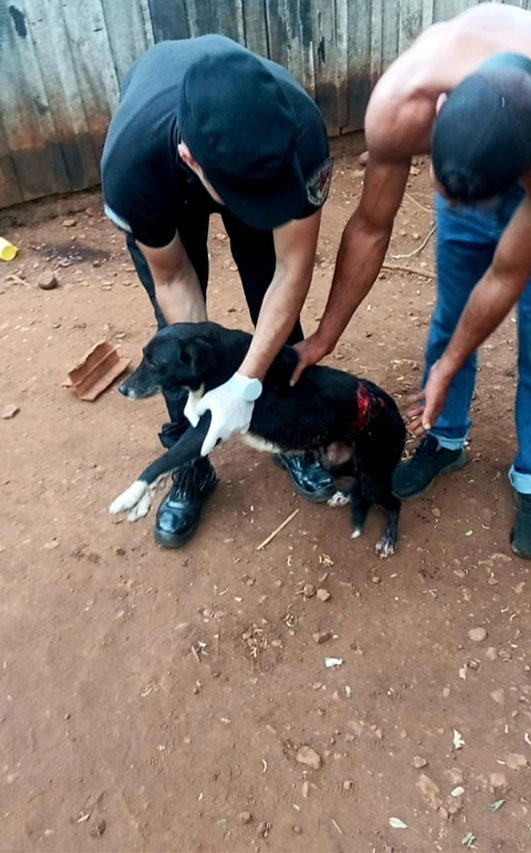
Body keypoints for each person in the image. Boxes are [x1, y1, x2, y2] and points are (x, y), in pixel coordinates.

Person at [292, 4, 531, 559]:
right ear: (439, 112)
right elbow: (371, 227)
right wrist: (324, 336)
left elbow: (507, 275)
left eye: (471, 200)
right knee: (453, 308)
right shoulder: (401, 103)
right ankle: (445, 437)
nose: (457, 207)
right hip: (479, 154)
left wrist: (446, 365)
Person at [101, 35, 336, 548]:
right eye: (252, 196)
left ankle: (291, 437)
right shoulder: (133, 169)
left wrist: (246, 382)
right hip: (166, 180)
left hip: (247, 162)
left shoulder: (303, 135)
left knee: (269, 288)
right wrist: (204, 382)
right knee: (177, 347)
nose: (264, 204)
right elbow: (174, 280)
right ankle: (192, 463)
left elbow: (291, 269)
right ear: (191, 159)